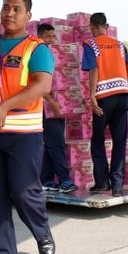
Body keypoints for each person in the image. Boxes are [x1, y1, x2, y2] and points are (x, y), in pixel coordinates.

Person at [0, 0, 56, 254]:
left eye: (16, 9)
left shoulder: (37, 49)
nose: (9, 13)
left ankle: (42, 232)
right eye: (5, 7)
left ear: (27, 16)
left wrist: (5, 106)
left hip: (24, 133)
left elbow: (42, 86)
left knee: (24, 192)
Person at [81, 12, 128, 197]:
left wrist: (92, 95)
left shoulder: (91, 44)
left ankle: (102, 182)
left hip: (104, 97)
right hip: (123, 96)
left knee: (98, 141)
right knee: (119, 142)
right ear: (107, 25)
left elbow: (94, 69)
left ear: (91, 26)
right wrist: (120, 81)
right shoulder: (120, 45)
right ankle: (118, 186)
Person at [36, 23, 77, 194]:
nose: (52, 40)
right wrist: (51, 101)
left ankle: (46, 178)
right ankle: (65, 180)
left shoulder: (54, 54)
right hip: (46, 106)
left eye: (54, 36)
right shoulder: (39, 52)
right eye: (49, 37)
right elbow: (36, 82)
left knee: (51, 144)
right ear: (40, 36)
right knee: (56, 143)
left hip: (59, 106)